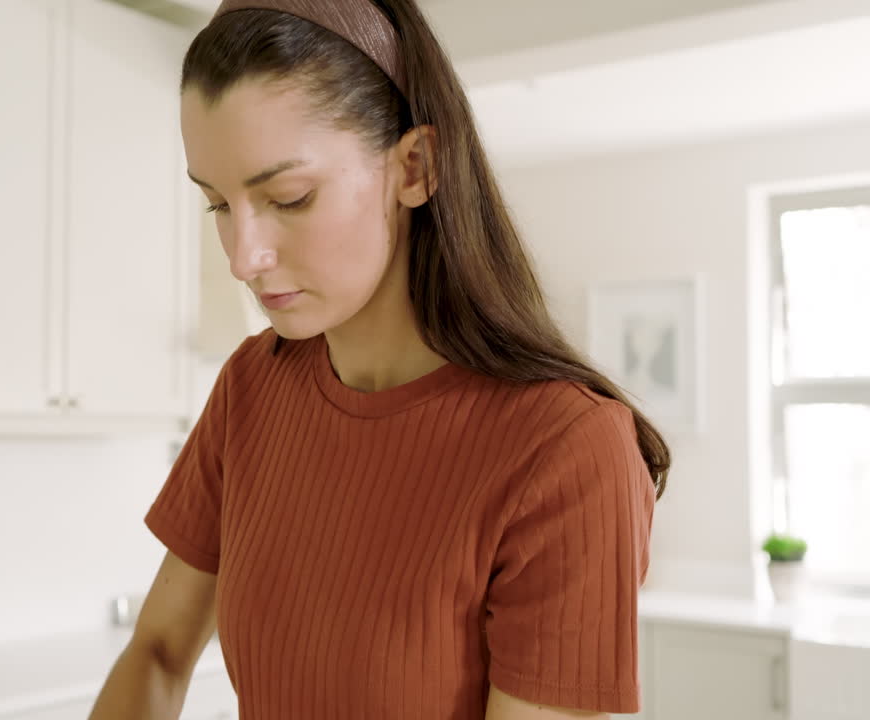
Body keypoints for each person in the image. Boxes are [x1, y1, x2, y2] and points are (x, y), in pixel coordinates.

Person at [89, 1, 669, 718]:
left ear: (414, 167)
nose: (244, 258)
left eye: (288, 198)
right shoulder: (252, 387)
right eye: (218, 205)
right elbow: (158, 653)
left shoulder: (566, 450)